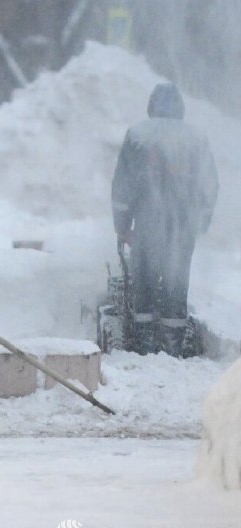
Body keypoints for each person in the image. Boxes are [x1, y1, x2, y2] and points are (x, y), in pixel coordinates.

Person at [111, 83, 219, 357]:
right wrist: (201, 222)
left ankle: (144, 346)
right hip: (183, 227)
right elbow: (209, 185)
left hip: (147, 224)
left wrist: (122, 226)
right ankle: (173, 346)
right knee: (176, 283)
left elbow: (123, 185)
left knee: (144, 284)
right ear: (180, 108)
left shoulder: (137, 135)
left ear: (151, 106)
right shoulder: (196, 138)